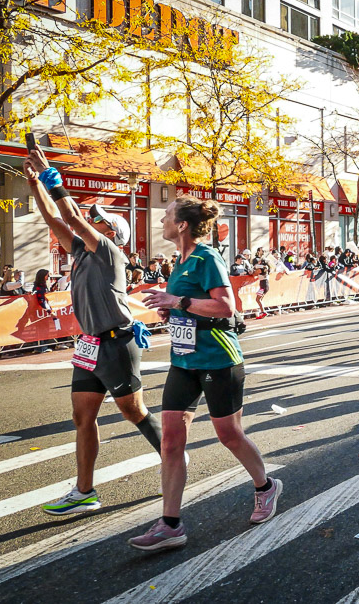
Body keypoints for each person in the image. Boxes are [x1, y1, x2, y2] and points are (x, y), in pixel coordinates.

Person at [133, 196, 279, 551]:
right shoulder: (179, 262)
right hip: (184, 361)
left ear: (182, 225)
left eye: (167, 216)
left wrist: (177, 302)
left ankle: (266, 486)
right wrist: (171, 311)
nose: (162, 221)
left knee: (229, 435)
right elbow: (189, 306)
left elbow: (226, 306)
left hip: (218, 359)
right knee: (170, 440)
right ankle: (170, 524)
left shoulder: (206, 257)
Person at [23, 149, 163, 516]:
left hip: (117, 343)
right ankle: (84, 491)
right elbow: (54, 218)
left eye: (99, 220)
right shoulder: (81, 252)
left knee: (133, 412)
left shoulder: (108, 250)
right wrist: (34, 184)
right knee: (82, 418)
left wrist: (49, 174)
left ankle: (174, 458)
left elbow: (70, 215)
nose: (91, 220)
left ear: (111, 232)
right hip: (90, 346)